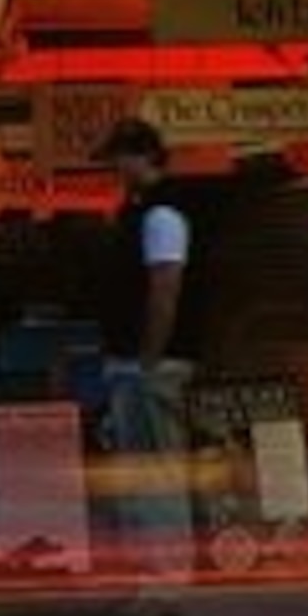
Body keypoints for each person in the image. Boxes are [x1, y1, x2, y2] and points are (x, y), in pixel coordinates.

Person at [90, 114, 198, 580]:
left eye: (116, 159)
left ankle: (166, 575)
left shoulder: (161, 215)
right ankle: (149, 574)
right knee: (140, 475)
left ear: (138, 157)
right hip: (135, 362)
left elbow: (164, 290)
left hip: (148, 364)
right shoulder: (144, 213)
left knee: (156, 475)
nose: (113, 170)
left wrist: (148, 361)